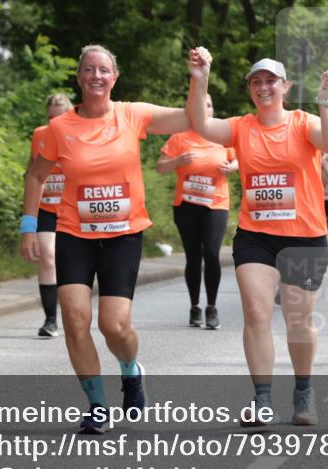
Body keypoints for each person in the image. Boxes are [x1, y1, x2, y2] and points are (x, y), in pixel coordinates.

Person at [21, 44, 201, 434]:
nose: (97, 76)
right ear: (80, 77)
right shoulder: (59, 128)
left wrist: (198, 79)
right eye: (89, 70)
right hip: (74, 233)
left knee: (114, 326)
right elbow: (35, 176)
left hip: (123, 234)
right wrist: (28, 226)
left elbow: (190, 118)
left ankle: (131, 370)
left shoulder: (132, 114)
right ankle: (97, 405)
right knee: (74, 319)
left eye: (104, 70)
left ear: (114, 77)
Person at [187, 57, 328, 427]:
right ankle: (262, 398)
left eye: (271, 81)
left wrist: (324, 102)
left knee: (298, 320)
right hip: (256, 236)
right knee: (256, 313)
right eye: (256, 81)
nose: (263, 87)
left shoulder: (304, 123)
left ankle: (303, 391)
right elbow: (201, 124)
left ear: (285, 87)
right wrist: (201, 79)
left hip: (304, 237)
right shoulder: (242, 127)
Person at [157, 94, 237, 330]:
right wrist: (178, 161)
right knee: (193, 256)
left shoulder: (223, 135)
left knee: (212, 253)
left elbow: (239, 160)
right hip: (187, 204)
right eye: (201, 106)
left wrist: (231, 167)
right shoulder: (179, 137)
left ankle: (212, 307)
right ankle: (195, 306)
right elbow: (160, 166)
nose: (207, 109)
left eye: (210, 105)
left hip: (216, 203)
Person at [29, 92, 73, 338]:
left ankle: (74, 314)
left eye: (60, 118)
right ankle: (50, 320)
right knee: (47, 255)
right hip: (46, 208)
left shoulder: (79, 134)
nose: (54, 123)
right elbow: (32, 171)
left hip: (74, 210)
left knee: (70, 263)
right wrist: (28, 217)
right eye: (50, 118)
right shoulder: (39, 135)